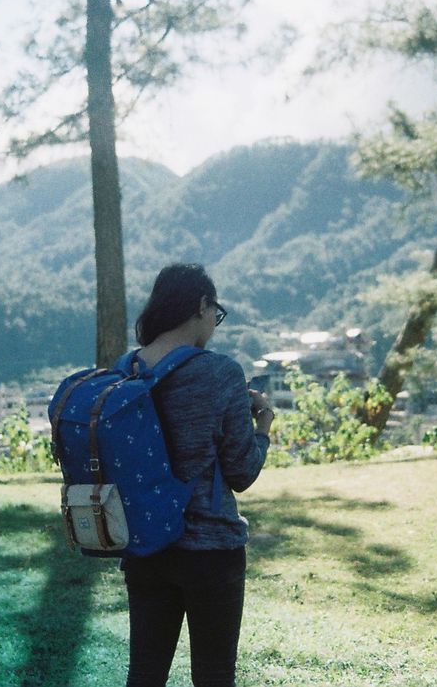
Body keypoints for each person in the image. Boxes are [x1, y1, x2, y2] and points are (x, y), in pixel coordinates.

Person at [122, 263, 274, 687]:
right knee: (213, 676)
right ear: (201, 306)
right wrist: (262, 425)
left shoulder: (127, 369)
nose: (214, 324)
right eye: (216, 313)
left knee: (145, 675)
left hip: (145, 544)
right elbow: (243, 472)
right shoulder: (220, 372)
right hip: (210, 550)